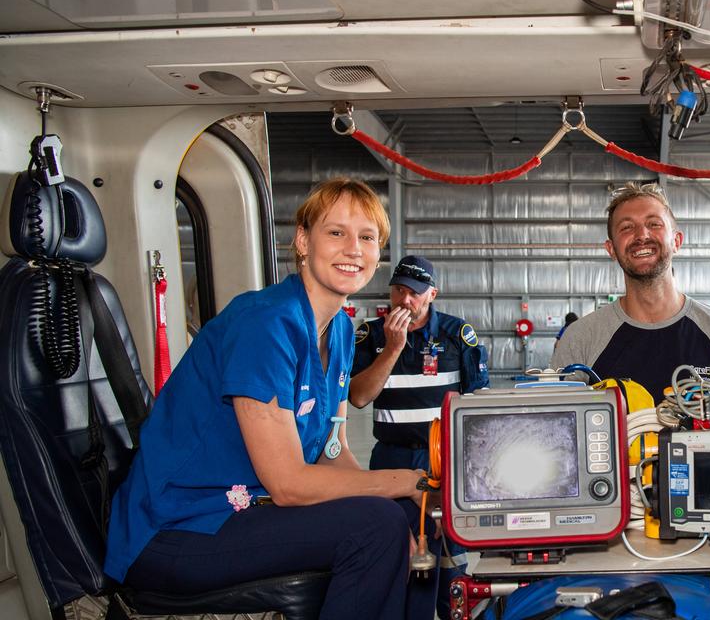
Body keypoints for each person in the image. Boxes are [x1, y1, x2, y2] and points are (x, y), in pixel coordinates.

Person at [105, 178, 427, 620]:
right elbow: (289, 484)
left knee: (418, 516)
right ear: (302, 241)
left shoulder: (339, 332)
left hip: (249, 513)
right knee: (378, 526)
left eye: (367, 237)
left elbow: (333, 452)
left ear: (378, 253)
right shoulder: (264, 324)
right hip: (181, 526)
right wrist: (401, 480)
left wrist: (410, 493)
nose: (354, 249)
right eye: (336, 232)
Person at [349, 255, 489, 620]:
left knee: (449, 553)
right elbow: (360, 397)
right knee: (400, 552)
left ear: (432, 294)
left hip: (445, 460)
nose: (404, 300)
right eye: (398, 291)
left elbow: (478, 407)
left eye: (414, 293)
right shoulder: (371, 335)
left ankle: (454, 611)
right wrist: (393, 348)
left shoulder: (457, 336)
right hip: (392, 460)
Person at [552, 182, 710, 401]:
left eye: (654, 224)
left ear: (676, 241)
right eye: (626, 227)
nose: (642, 235)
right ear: (611, 249)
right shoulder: (580, 340)